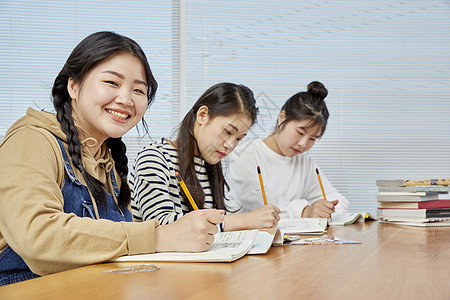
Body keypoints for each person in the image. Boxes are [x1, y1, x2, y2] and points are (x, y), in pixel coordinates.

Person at [0, 31, 224, 286]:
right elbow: (38, 236)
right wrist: (159, 237)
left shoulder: (109, 161)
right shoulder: (32, 140)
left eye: (138, 90)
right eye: (112, 83)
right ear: (73, 86)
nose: (126, 99)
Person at [131, 82, 280, 231]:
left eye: (238, 138)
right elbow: (159, 225)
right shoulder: (154, 157)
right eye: (228, 131)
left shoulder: (208, 165)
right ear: (202, 115)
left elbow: (214, 228)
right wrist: (245, 220)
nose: (230, 145)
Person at [225, 81, 349, 219]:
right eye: (300, 133)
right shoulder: (246, 153)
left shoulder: (304, 162)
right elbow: (256, 201)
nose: (303, 144)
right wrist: (305, 211)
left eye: (312, 139)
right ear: (282, 117)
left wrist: (329, 209)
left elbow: (338, 199)